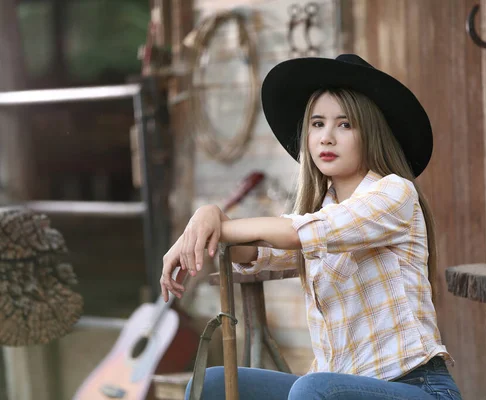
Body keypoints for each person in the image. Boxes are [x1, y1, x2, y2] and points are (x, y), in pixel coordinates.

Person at [160, 54, 463, 400]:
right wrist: (208, 220)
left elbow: (303, 232)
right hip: (338, 389)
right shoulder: (321, 212)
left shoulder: (395, 194)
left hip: (415, 388)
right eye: (317, 124)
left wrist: (215, 220)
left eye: (345, 124)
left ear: (372, 132)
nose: (326, 138)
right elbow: (257, 251)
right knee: (210, 386)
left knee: (314, 389)